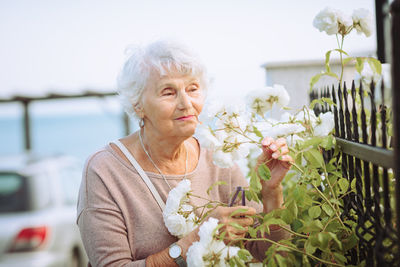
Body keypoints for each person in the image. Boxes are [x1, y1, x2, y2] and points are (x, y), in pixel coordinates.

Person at [77, 40, 292, 267]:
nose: (186, 103)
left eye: (193, 89)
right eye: (168, 92)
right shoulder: (104, 170)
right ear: (138, 104)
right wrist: (196, 240)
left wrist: (271, 193)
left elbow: (270, 253)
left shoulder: (217, 157)